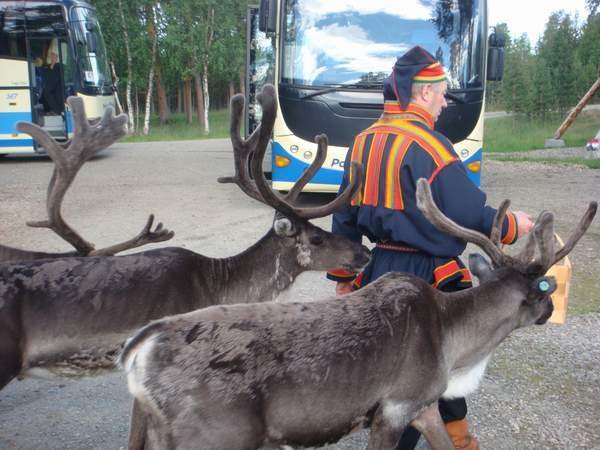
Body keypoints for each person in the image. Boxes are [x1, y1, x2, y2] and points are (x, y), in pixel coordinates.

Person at [326, 46, 534, 450]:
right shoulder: (433, 147)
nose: (443, 102)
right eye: (440, 93)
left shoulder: (361, 143)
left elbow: (344, 217)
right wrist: (513, 225)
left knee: (386, 363)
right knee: (445, 364)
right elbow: (470, 214)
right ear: (422, 94)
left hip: (380, 274)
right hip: (430, 277)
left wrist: (346, 277)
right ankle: (448, 438)